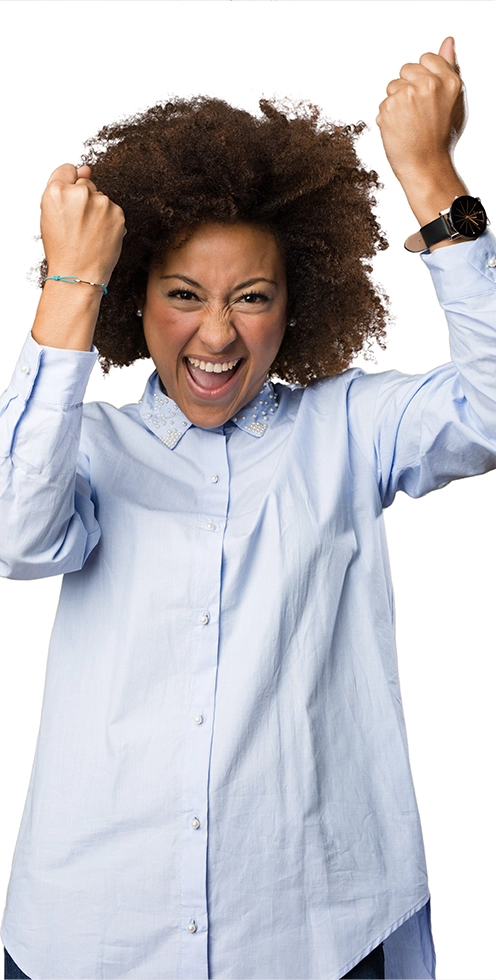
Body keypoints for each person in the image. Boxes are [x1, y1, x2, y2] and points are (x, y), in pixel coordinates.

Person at [0, 36, 494, 980]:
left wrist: (432, 178)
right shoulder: (86, 451)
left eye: (252, 297)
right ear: (133, 298)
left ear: (297, 302)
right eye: (182, 294)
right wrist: (69, 282)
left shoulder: (352, 428)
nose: (217, 334)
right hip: (94, 941)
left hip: (322, 934)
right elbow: (14, 536)